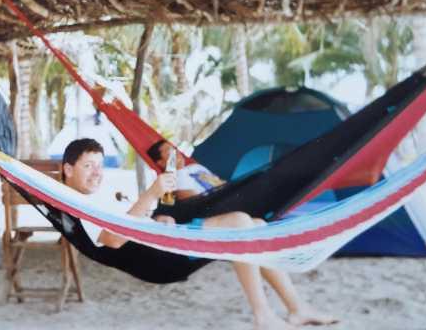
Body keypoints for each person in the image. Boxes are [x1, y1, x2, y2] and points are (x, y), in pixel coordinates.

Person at [62, 138, 336, 330]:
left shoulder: (100, 196)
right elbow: (113, 239)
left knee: (257, 226)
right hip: (159, 259)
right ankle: (262, 316)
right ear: (68, 169)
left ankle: (296, 308)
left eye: (99, 166)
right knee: (240, 224)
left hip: (162, 238)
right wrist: (152, 194)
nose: (97, 173)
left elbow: (132, 221)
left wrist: (157, 219)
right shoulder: (80, 205)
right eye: (88, 166)